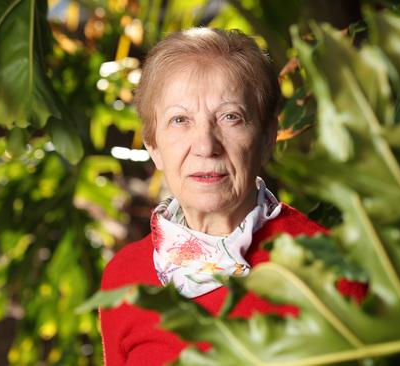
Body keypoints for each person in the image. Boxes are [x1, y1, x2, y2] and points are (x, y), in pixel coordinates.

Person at [99, 27, 365, 365]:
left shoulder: (327, 268)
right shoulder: (124, 276)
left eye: (230, 117)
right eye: (180, 120)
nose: (206, 146)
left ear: (268, 136)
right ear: (153, 146)